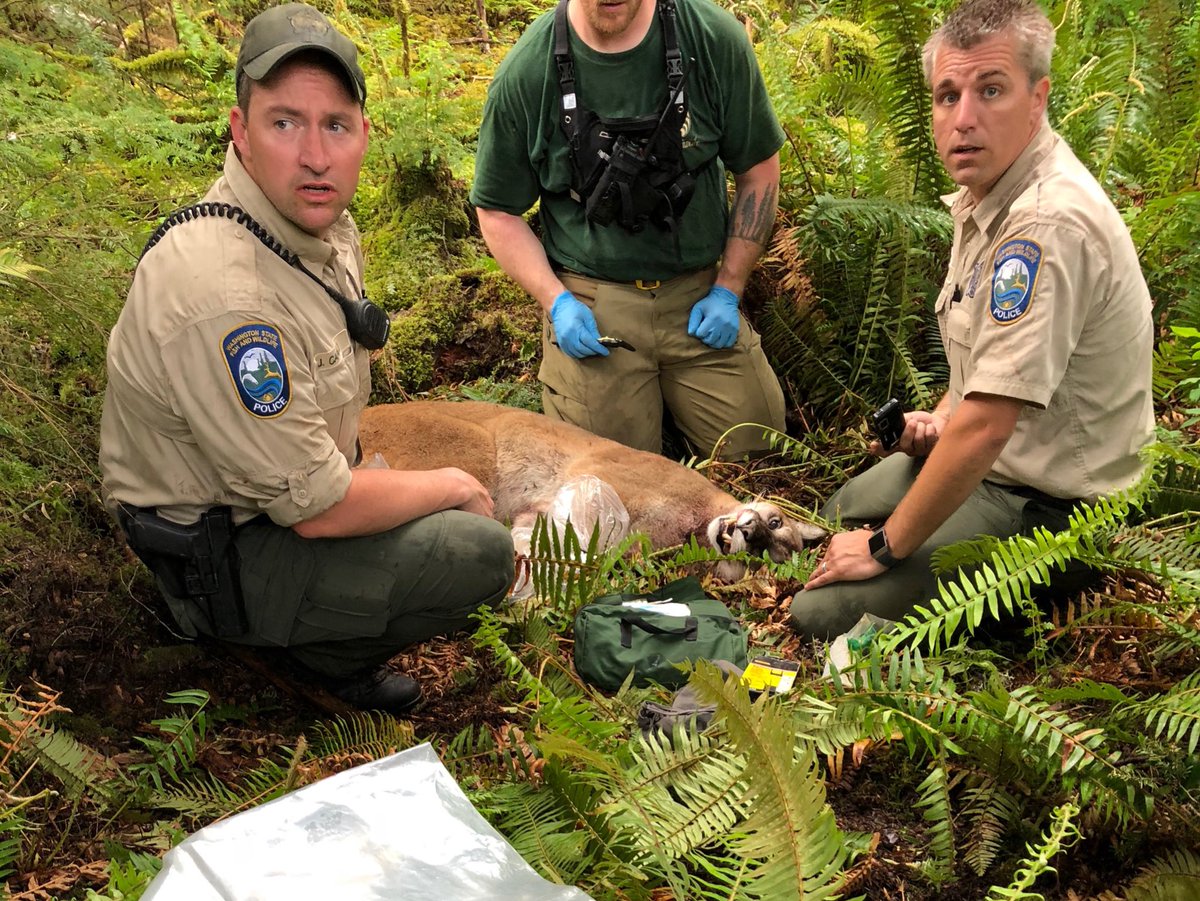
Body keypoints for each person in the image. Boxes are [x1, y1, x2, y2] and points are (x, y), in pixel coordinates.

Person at [99, 2, 514, 715]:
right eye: (285, 123)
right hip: (222, 559)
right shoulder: (226, 293)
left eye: (335, 126)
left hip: (262, 507)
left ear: (363, 135)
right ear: (241, 132)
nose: (315, 155)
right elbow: (315, 507)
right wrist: (447, 483)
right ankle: (304, 656)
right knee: (479, 552)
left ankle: (312, 631)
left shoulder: (307, 226)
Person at [790, 0, 1154, 638]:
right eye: (947, 95)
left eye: (991, 91)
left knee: (820, 613)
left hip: (1055, 510)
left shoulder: (1045, 224)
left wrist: (882, 549)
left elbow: (987, 426)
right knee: (840, 508)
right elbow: (978, 385)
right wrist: (939, 419)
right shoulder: (991, 193)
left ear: (1037, 98)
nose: (964, 119)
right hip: (1000, 460)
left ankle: (1051, 592)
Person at [470, 0, 788, 458]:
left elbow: (759, 169)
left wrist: (730, 287)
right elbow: (497, 211)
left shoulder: (713, 39)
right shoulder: (527, 71)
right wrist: (556, 301)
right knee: (607, 488)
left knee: (764, 455)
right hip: (594, 305)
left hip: (698, 296)